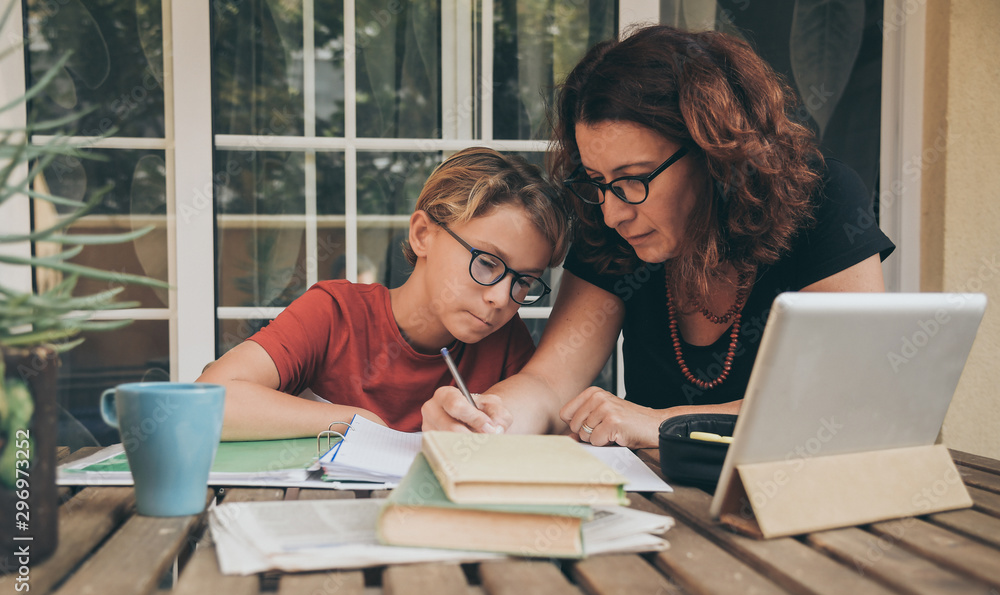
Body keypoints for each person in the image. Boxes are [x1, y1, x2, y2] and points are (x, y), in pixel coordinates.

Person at [421, 25, 895, 448]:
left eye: (633, 179)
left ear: (714, 153)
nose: (612, 213)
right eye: (597, 181)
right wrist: (489, 417)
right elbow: (549, 383)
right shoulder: (611, 230)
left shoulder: (822, 199)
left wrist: (662, 422)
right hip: (664, 509)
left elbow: (846, 399)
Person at [198, 147, 569, 439]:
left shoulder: (505, 341)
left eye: (524, 281)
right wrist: (354, 419)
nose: (502, 299)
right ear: (423, 234)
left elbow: (544, 434)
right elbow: (208, 400)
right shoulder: (334, 314)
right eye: (487, 263)